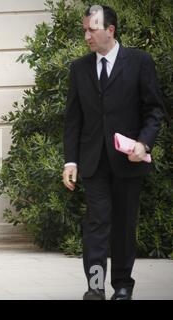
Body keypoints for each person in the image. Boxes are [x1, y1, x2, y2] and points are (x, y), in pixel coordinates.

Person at [63, 5, 164, 300]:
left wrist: (144, 143)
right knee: (96, 224)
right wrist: (71, 161)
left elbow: (154, 110)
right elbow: (73, 120)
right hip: (93, 162)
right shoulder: (79, 68)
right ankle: (95, 287)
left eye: (91, 29)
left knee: (123, 226)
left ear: (110, 30)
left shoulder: (139, 62)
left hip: (128, 161)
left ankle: (122, 286)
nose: (86, 36)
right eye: (84, 30)